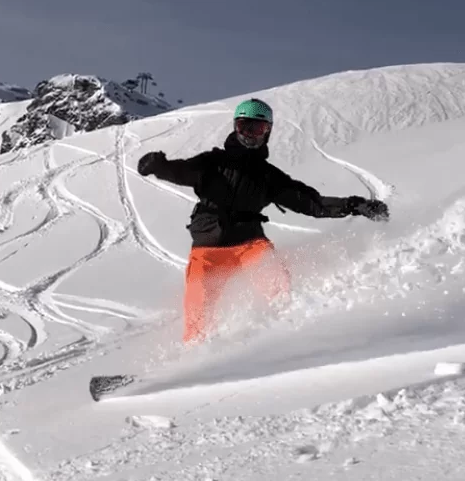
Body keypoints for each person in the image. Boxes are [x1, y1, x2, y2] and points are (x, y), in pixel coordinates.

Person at [136, 97, 389, 343]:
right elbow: (182, 171)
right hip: (208, 251)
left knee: (277, 286)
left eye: (257, 128)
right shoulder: (212, 162)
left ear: (267, 132)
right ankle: (193, 355)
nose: (250, 133)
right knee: (198, 312)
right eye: (244, 126)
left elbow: (312, 202)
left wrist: (354, 205)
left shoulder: (268, 177)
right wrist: (159, 167)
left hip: (250, 245)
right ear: (235, 127)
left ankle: (283, 335)